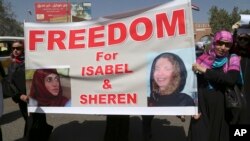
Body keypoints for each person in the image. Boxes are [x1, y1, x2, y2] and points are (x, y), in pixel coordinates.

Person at [188, 30, 241, 141]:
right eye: (220, 43)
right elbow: (193, 84)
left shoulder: (233, 58)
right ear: (214, 42)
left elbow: (230, 79)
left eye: (227, 45)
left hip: (222, 108)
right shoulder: (202, 58)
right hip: (202, 107)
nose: (223, 47)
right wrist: (192, 108)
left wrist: (205, 70)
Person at [142, 52, 195, 141]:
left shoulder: (185, 100)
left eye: (167, 69)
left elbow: (194, 111)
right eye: (157, 68)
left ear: (176, 72)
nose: (160, 73)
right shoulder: (151, 96)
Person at [7, 40, 29, 138]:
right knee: (28, 119)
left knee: (38, 119)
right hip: (22, 98)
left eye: (18, 48)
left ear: (23, 49)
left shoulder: (30, 61)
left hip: (33, 95)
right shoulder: (12, 63)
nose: (15, 50)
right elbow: (10, 83)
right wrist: (20, 95)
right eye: (13, 48)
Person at [230, 22, 250, 124]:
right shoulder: (233, 56)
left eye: (246, 39)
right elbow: (229, 45)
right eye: (240, 39)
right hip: (235, 96)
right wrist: (234, 31)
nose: (243, 41)